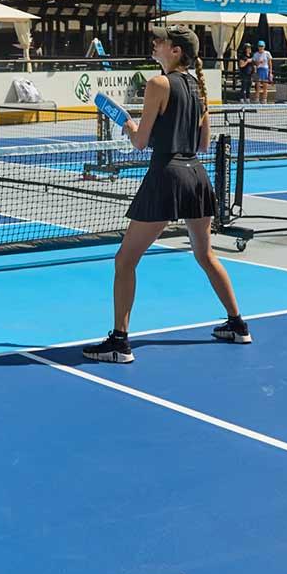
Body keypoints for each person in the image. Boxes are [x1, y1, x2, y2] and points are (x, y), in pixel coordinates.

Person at [83, 25, 249, 363]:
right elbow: (203, 144)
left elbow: (140, 142)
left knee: (125, 260)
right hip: (196, 177)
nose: (155, 43)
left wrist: (128, 124)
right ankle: (237, 325)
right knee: (205, 255)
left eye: (162, 41)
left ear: (176, 51)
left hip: (167, 176)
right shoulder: (199, 88)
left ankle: (119, 342)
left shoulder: (158, 84)